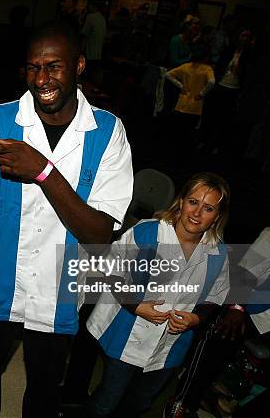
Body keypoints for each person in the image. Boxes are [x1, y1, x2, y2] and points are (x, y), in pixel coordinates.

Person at [0, 21, 134, 417]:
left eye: (53, 66)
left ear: (79, 66)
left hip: (59, 294)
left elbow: (99, 233)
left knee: (43, 392)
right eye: (32, 67)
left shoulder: (108, 132)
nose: (41, 79)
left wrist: (43, 171)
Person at [86, 172, 231, 417]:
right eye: (193, 202)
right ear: (181, 201)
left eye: (208, 208)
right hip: (124, 331)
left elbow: (216, 295)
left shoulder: (218, 253)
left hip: (170, 347)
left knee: (139, 403)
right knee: (106, 402)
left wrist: (198, 318)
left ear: (217, 216)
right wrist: (135, 305)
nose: (196, 213)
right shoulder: (147, 233)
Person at [167, 187, 270, 418]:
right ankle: (184, 400)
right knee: (220, 335)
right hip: (256, 311)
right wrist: (237, 308)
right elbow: (245, 272)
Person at [164, 43, 215, 149]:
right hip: (195, 106)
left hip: (182, 103)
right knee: (189, 132)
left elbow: (168, 74)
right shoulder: (207, 69)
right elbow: (212, 82)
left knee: (177, 130)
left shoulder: (186, 66)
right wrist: (202, 94)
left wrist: (180, 86)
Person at [81, 0, 107, 72]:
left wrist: (81, 50)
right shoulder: (102, 18)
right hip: (98, 53)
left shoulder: (90, 17)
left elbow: (84, 34)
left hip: (89, 52)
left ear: (92, 6)